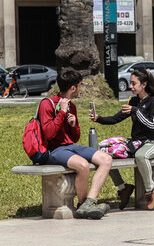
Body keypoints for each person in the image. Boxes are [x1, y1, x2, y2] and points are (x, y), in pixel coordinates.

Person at [38, 68, 113, 219]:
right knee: (83, 165)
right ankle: (82, 203)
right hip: (54, 150)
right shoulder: (47, 104)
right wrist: (61, 113)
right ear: (73, 88)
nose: (80, 88)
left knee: (106, 159)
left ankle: (88, 203)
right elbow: (48, 133)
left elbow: (75, 138)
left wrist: (73, 125)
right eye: (80, 85)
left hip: (70, 147)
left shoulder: (72, 106)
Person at [90, 69, 154, 210]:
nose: (130, 86)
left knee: (141, 156)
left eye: (133, 83)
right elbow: (116, 118)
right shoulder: (134, 100)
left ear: (144, 84)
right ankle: (123, 188)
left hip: (151, 143)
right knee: (105, 155)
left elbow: (152, 124)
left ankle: (150, 191)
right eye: (130, 83)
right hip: (135, 143)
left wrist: (135, 111)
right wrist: (98, 118)